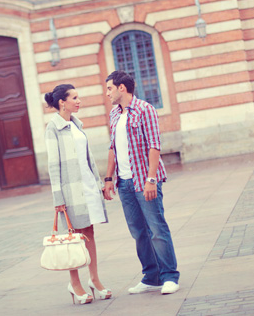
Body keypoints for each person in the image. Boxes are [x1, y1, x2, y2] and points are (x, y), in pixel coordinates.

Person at [102, 70, 180, 295]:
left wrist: (151, 179)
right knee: (138, 232)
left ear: (121, 88)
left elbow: (154, 145)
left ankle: (169, 276)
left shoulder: (145, 109)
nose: (107, 93)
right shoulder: (114, 114)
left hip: (144, 180)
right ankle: (151, 276)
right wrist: (109, 178)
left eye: (109, 88)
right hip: (124, 183)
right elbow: (112, 148)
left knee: (157, 228)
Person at [44, 83, 112, 305]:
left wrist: (99, 183)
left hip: (88, 187)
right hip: (70, 191)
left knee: (89, 232)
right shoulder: (53, 128)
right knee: (73, 237)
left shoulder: (76, 124)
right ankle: (74, 283)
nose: (78, 101)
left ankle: (94, 280)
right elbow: (53, 166)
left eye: (78, 97)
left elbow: (87, 158)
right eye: (74, 97)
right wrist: (58, 199)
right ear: (62, 102)